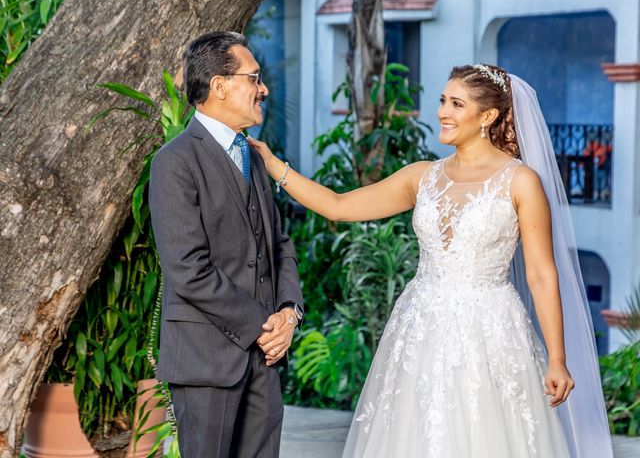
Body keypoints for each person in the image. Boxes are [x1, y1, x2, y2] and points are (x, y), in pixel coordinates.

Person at [249, 64, 612, 457]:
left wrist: (557, 359)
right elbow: (339, 206)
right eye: (443, 100)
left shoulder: (521, 181)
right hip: (420, 329)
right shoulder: (422, 177)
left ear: (487, 116)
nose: (443, 112)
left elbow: (541, 275)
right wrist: (272, 164)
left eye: (457, 104)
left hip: (490, 333)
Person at [149, 31, 304, 458]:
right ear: (219, 86)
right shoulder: (174, 162)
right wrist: (263, 327)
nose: (264, 89)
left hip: (265, 358)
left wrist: (290, 312)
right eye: (254, 78)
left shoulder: (254, 157)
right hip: (207, 360)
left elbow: (278, 243)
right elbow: (188, 270)